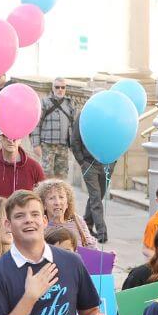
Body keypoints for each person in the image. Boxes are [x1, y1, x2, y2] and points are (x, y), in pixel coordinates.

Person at [67, 96, 116, 244]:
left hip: (107, 163)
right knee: (95, 197)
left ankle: (86, 224)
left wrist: (113, 160)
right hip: (90, 164)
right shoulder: (84, 116)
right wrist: (82, 162)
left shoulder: (111, 117)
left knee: (98, 196)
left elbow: (117, 137)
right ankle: (102, 232)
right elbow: (74, 140)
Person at [0, 133, 46, 200]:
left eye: (15, 137)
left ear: (20, 140)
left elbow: (44, 198)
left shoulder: (34, 167)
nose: (10, 140)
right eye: (6, 136)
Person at [29, 77, 76, 179]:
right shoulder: (44, 102)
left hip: (63, 146)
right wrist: (35, 144)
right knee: (46, 175)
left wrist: (73, 144)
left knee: (62, 176)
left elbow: (73, 125)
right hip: (47, 145)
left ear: (65, 88)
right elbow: (35, 124)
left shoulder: (70, 104)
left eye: (62, 87)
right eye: (57, 87)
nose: (60, 89)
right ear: (52, 88)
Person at [35, 179, 97, 249]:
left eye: (61, 197)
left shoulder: (77, 221)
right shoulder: (39, 226)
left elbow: (91, 247)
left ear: (67, 203)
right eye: (51, 198)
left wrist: (108, 257)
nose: (57, 202)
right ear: (43, 205)